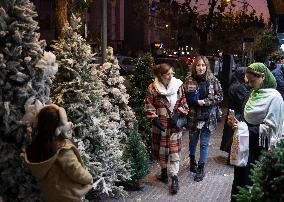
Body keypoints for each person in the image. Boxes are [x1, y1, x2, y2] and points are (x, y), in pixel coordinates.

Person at [228, 63, 284, 202]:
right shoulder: (253, 93)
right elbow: (245, 115)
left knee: (251, 182)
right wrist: (236, 123)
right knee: (240, 181)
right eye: (249, 81)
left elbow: (271, 127)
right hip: (245, 144)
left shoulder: (275, 97)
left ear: (263, 77)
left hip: (261, 149)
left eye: (253, 81)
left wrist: (243, 128)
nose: (250, 84)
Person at [21, 104, 93, 202]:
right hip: (66, 195)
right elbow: (75, 171)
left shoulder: (34, 146)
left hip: (49, 194)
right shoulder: (62, 150)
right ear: (59, 128)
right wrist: (88, 178)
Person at [144, 63, 188, 194]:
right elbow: (148, 103)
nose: (171, 76)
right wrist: (154, 117)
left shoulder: (178, 86)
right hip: (160, 126)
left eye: (172, 73)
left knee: (174, 152)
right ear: (160, 75)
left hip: (174, 126)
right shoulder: (153, 88)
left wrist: (179, 113)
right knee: (161, 151)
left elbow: (184, 103)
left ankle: (174, 178)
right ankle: (163, 172)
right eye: (168, 74)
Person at [183, 56, 223, 182]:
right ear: (194, 66)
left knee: (204, 143)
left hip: (208, 117)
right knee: (193, 141)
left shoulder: (213, 80)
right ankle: (192, 161)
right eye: (198, 65)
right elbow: (182, 97)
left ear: (207, 67)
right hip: (193, 117)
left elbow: (220, 96)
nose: (201, 68)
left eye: (203, 65)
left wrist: (204, 102)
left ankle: (201, 168)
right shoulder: (189, 80)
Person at [220, 67, 250, 164]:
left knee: (233, 137)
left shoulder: (235, 85)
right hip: (237, 114)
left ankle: (232, 157)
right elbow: (245, 100)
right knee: (235, 137)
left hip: (233, 113)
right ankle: (233, 158)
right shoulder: (238, 87)